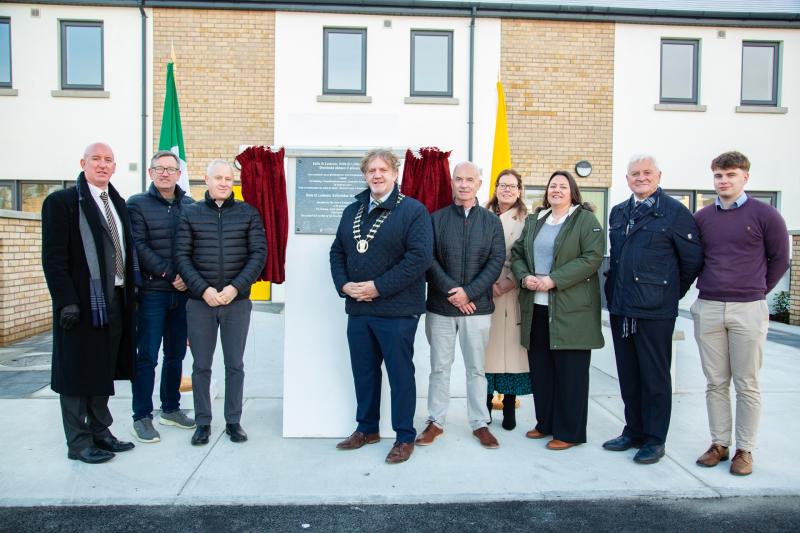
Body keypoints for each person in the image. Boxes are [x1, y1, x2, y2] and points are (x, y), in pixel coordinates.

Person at [329, 148, 433, 464]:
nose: (376, 175)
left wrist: (377, 287)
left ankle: (404, 436)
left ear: (394, 173)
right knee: (364, 371)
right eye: (371, 170)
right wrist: (345, 285)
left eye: (383, 170)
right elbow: (337, 252)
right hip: (359, 309)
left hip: (398, 310)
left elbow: (419, 258)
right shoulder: (352, 211)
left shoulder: (413, 211)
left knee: (401, 375)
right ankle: (367, 429)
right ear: (365, 175)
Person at [692, 151, 789, 476]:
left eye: (730, 175)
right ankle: (719, 443)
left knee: (746, 382)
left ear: (745, 177)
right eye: (719, 175)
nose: (723, 181)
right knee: (715, 381)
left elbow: (780, 259)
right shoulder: (703, 218)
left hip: (748, 307)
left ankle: (744, 450)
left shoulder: (766, 215)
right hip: (708, 306)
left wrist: (757, 290)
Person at [603, 154, 704, 464]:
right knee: (629, 375)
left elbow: (691, 262)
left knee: (655, 378)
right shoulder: (619, 212)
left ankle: (655, 439)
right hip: (622, 307)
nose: (641, 177)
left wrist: (667, 293)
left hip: (654, 311)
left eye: (647, 172)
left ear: (659, 175)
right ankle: (633, 430)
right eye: (635, 173)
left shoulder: (674, 212)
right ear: (627, 179)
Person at [41, 142, 137, 464]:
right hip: (82, 306)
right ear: (83, 163)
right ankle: (78, 442)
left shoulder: (118, 203)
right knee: (75, 375)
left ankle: (100, 432)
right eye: (96, 159)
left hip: (116, 301)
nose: (102, 165)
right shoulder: (62, 203)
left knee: (102, 371)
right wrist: (66, 301)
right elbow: (53, 260)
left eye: (108, 160)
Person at [174, 159, 266, 446]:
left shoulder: (248, 214)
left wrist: (234, 288)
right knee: (201, 365)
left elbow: (258, 255)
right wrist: (204, 290)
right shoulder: (190, 214)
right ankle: (203, 422)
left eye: (229, 178)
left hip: (236, 303)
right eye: (218, 178)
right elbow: (182, 256)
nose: (224, 183)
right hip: (200, 303)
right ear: (207, 180)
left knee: (234, 364)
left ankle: (233, 421)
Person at [511, 171, 605, 450]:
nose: (557, 190)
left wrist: (554, 280)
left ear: (572, 192)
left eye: (563, 186)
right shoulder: (535, 220)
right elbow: (517, 254)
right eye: (553, 186)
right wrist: (524, 276)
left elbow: (592, 257)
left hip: (570, 310)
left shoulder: (585, 220)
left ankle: (570, 432)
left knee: (570, 374)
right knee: (542, 371)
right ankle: (546, 423)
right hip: (536, 308)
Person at [416, 161, 505, 449]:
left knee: (476, 369)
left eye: (470, 179)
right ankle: (436, 422)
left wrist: (470, 294)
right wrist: (454, 293)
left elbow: (495, 262)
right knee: (439, 368)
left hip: (476, 309)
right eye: (458, 179)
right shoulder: (436, 219)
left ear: (480, 183)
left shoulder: (492, 222)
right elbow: (428, 258)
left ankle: (480, 423)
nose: (464, 184)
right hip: (441, 307)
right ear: (452, 183)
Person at [127, 150, 196, 443]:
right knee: (147, 357)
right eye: (160, 168)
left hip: (182, 295)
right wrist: (171, 275)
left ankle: (170, 408)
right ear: (150, 173)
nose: (165, 173)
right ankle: (142, 415)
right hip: (154, 293)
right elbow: (138, 246)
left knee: (176, 354)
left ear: (179, 174)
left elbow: (196, 244)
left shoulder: (191, 205)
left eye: (171, 169)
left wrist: (187, 279)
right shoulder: (137, 205)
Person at [483, 169, 531, 430]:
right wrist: (485, 284)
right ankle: (486, 405)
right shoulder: (483, 214)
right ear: (496, 187)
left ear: (519, 190)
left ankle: (510, 407)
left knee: (512, 352)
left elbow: (528, 255)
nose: (507, 190)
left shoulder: (527, 219)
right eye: (503, 185)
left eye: (513, 186)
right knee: (486, 352)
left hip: (514, 290)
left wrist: (509, 282)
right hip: (485, 291)